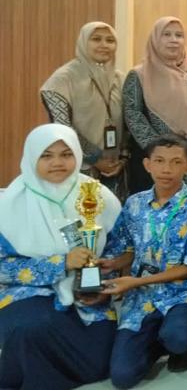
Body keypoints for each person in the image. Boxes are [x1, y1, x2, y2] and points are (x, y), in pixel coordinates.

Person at [0, 124, 122, 390]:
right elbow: (3, 267)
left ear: (77, 154)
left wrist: (103, 284)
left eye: (66, 154)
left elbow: (118, 250)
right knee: (32, 328)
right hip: (28, 291)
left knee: (101, 360)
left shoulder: (97, 195)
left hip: (86, 294)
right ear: (32, 157)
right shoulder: (9, 204)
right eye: (46, 156)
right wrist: (60, 264)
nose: (57, 163)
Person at [100, 134, 187, 388]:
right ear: (147, 164)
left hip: (181, 293)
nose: (166, 169)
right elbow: (129, 249)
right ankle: (157, 342)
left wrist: (135, 281)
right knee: (122, 377)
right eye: (159, 161)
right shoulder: (134, 204)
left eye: (176, 162)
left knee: (178, 336)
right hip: (141, 297)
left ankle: (178, 344)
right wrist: (112, 264)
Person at [123, 16, 187, 203]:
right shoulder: (139, 75)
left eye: (179, 35)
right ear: (155, 39)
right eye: (166, 34)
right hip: (154, 157)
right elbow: (133, 113)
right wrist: (157, 147)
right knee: (155, 209)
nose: (174, 40)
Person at [40, 21, 126, 194]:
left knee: (112, 211)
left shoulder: (120, 78)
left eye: (110, 40)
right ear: (83, 42)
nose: (104, 45)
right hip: (79, 167)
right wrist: (96, 159)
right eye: (96, 39)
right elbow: (62, 127)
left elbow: (130, 121)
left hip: (117, 168)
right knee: (82, 210)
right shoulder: (62, 79)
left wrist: (123, 157)